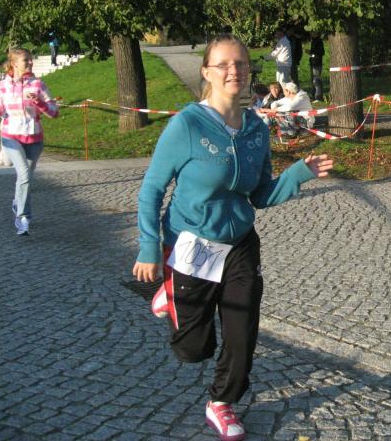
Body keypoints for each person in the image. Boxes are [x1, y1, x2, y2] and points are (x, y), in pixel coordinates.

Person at [133, 34, 332, 441]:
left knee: (242, 331)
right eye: (223, 64)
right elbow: (151, 189)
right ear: (207, 72)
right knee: (193, 349)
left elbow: (260, 195)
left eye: (240, 63)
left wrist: (298, 173)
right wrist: (149, 247)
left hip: (240, 244)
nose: (233, 71)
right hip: (192, 246)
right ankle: (169, 291)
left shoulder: (256, 127)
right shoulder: (187, 125)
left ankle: (222, 403)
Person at [0, 48, 59, 235]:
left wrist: (40, 102)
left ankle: (18, 203)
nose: (30, 62)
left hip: (34, 139)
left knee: (26, 178)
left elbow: (54, 112)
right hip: (10, 136)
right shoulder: (2, 86)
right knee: (23, 174)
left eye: (31, 59)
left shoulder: (38, 85)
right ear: (14, 64)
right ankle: (23, 217)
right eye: (26, 60)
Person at [308, 34, 325, 101]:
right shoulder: (313, 41)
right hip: (313, 63)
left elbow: (321, 52)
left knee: (316, 80)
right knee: (313, 80)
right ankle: (313, 96)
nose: (311, 33)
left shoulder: (319, 41)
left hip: (317, 63)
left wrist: (311, 52)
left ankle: (318, 96)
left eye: (313, 32)